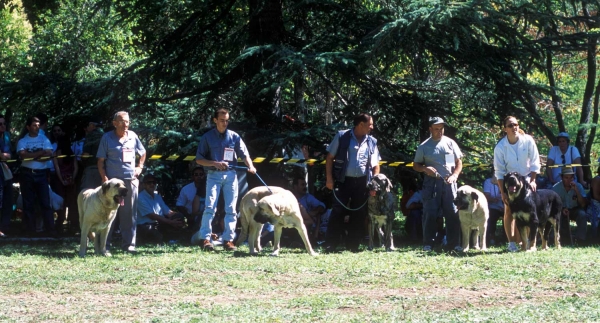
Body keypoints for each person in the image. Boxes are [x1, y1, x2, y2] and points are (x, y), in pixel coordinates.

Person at [195, 108, 256, 251]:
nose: (225, 123)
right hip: (213, 175)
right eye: (222, 120)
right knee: (210, 207)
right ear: (215, 120)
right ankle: (205, 239)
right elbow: (199, 160)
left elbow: (244, 154)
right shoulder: (207, 137)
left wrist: (251, 166)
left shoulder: (234, 136)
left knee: (231, 208)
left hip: (231, 175)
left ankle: (228, 240)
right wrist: (214, 163)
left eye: (227, 120)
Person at [324, 113, 380, 252]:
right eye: (370, 124)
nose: (372, 127)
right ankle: (331, 244)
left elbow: (376, 165)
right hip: (343, 181)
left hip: (362, 182)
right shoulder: (342, 136)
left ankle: (353, 245)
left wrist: (374, 184)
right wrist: (329, 179)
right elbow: (330, 158)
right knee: (338, 211)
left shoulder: (372, 141)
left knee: (359, 213)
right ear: (360, 124)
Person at [97, 111, 146, 253]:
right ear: (114, 123)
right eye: (123, 121)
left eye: (128, 122)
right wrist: (104, 179)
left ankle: (129, 246)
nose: (126, 124)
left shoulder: (133, 136)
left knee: (129, 215)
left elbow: (142, 152)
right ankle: (104, 246)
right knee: (108, 214)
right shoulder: (107, 138)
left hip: (129, 182)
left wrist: (140, 167)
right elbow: (100, 161)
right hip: (112, 185)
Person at [413, 117, 463, 252]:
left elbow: (459, 163)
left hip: (449, 182)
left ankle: (454, 243)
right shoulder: (424, 146)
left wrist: (455, 175)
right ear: (430, 129)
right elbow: (415, 165)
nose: (440, 131)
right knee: (430, 213)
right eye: (436, 129)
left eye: (441, 128)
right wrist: (424, 169)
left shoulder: (450, 143)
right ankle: (428, 243)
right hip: (431, 183)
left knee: (452, 213)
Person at [494, 116, 541, 252]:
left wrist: (532, 180)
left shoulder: (528, 141)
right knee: (509, 210)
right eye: (510, 125)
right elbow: (499, 172)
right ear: (505, 129)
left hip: (526, 179)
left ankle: (525, 242)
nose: (514, 127)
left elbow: (535, 162)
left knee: (527, 210)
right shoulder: (500, 147)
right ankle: (511, 243)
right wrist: (503, 193)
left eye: (516, 124)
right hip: (509, 181)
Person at [17, 116, 56, 237]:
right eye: (34, 125)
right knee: (28, 203)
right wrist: (39, 153)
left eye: (38, 125)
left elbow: (49, 154)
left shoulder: (44, 139)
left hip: (42, 174)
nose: (37, 127)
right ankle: (30, 231)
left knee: (45, 202)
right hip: (27, 173)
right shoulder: (22, 141)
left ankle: (50, 230)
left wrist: (32, 155)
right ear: (28, 127)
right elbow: (23, 156)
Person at [137, 174, 185, 244]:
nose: (152, 184)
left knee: (179, 216)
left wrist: (178, 219)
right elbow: (152, 216)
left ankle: (172, 237)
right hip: (145, 225)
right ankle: (168, 238)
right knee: (156, 235)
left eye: (154, 182)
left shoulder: (157, 196)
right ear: (144, 185)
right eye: (149, 182)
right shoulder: (140, 197)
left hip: (160, 223)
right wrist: (170, 222)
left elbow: (168, 212)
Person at [552, 167, 588, 246]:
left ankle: (580, 240)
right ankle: (560, 239)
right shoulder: (556, 188)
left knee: (582, 214)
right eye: (566, 178)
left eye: (571, 178)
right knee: (558, 217)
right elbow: (552, 205)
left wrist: (576, 190)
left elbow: (583, 204)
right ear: (562, 178)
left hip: (575, 209)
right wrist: (561, 210)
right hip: (561, 210)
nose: (569, 180)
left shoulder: (578, 186)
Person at [291, 176, 326, 241]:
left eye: (305, 185)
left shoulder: (308, 197)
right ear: (295, 186)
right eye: (302, 185)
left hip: (306, 224)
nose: (305, 187)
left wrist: (314, 212)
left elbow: (322, 206)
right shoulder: (289, 197)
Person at [80, 117, 104, 190]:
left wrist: (81, 158)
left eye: (87, 126)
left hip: (92, 169)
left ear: (92, 125)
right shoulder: (106, 136)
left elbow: (86, 155)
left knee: (86, 193)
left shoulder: (91, 136)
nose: (85, 129)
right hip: (105, 170)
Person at [483, 175, 504, 246]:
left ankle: (506, 238)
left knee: (508, 216)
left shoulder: (507, 181)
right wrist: (493, 199)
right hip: (493, 206)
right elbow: (487, 196)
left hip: (506, 207)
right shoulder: (488, 182)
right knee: (492, 215)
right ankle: (491, 237)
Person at [0, 115, 12, 237]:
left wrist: (3, 155)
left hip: (6, 173)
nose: (3, 126)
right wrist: (4, 156)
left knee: (8, 200)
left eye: (4, 123)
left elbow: (9, 155)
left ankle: (5, 227)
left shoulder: (7, 136)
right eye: (0, 124)